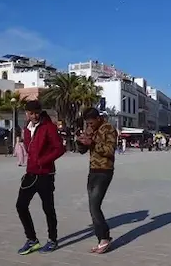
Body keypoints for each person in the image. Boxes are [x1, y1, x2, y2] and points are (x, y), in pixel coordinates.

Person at [16, 100, 65, 255]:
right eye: (32, 113)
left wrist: (43, 160)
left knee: (48, 208)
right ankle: (32, 240)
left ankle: (52, 240)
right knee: (21, 206)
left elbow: (60, 148)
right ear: (27, 114)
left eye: (37, 112)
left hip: (45, 174)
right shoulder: (26, 128)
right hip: (31, 173)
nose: (35, 116)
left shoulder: (48, 127)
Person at [76, 108, 117, 254]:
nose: (90, 126)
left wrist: (92, 142)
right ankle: (101, 239)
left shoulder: (109, 128)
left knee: (95, 205)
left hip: (105, 171)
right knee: (92, 206)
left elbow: (110, 150)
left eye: (91, 123)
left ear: (98, 118)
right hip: (92, 170)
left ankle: (105, 238)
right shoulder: (88, 128)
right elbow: (82, 151)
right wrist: (80, 142)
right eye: (88, 123)